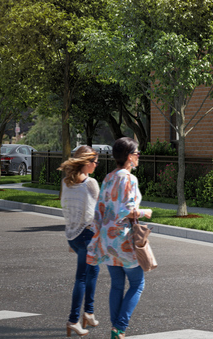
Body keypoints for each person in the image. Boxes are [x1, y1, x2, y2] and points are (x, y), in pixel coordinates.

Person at [91, 138, 151, 339]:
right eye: (136, 152)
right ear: (129, 156)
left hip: (107, 239)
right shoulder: (129, 179)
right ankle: (120, 327)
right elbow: (128, 211)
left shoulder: (108, 177)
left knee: (117, 285)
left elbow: (99, 210)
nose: (138, 156)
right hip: (123, 239)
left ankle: (115, 328)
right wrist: (146, 212)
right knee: (137, 284)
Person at [61, 146, 100, 337]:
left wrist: (72, 235)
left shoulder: (66, 183)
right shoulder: (90, 183)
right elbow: (98, 210)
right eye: (94, 162)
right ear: (85, 162)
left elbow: (67, 209)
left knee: (93, 271)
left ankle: (89, 313)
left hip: (73, 235)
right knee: (82, 278)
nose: (96, 165)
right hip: (87, 235)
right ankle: (74, 320)